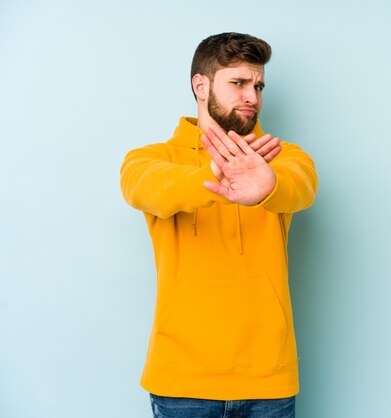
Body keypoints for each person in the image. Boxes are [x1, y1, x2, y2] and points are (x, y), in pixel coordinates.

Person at [120, 32, 317, 418]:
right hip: (181, 381)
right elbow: (144, 186)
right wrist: (214, 174)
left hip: (268, 379)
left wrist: (268, 184)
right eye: (238, 83)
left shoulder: (282, 158)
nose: (252, 97)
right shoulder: (151, 158)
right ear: (201, 85)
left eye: (258, 85)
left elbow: (302, 186)